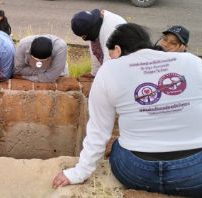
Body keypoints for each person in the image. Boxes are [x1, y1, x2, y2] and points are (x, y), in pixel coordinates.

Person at [52, 23, 202, 197]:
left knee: (117, 146)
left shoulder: (109, 70)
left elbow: (99, 131)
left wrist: (78, 173)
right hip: (195, 174)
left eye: (112, 55)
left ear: (117, 49)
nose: (112, 60)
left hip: (135, 173)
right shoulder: (193, 62)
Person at [71, 9, 126, 77]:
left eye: (84, 36)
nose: (83, 39)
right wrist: (94, 73)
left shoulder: (110, 31)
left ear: (90, 31)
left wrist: (100, 80)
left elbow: (109, 63)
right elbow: (94, 50)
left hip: (127, 63)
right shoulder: (96, 24)